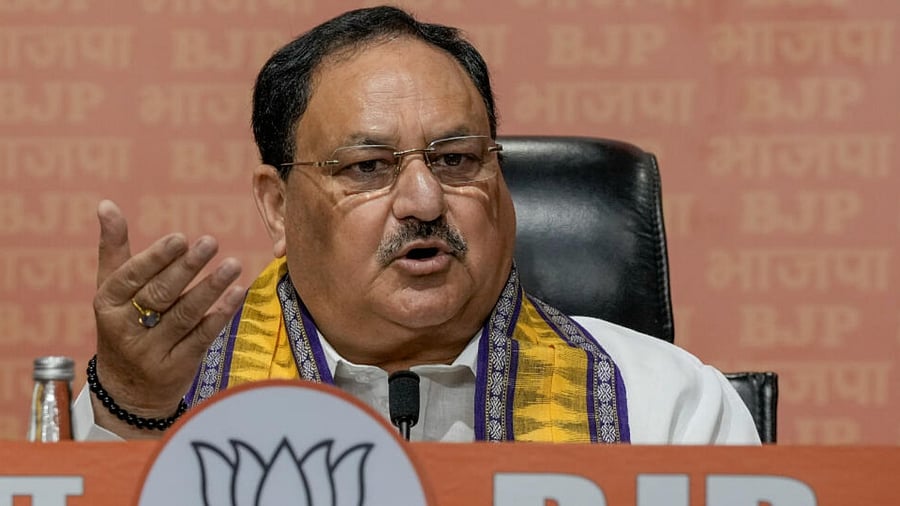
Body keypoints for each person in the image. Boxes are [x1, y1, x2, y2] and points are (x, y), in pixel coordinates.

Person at [73, 5, 760, 444]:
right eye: (368, 167)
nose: (425, 201)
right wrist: (131, 405)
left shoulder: (664, 408)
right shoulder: (166, 400)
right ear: (278, 207)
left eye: (456, 159)